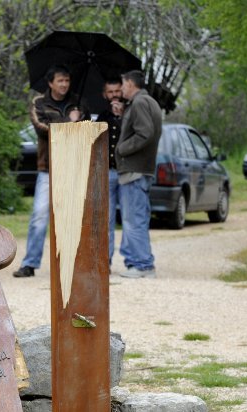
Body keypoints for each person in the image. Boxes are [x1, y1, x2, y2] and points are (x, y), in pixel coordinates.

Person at [13, 65, 87, 278]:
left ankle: (71, 263)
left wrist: (77, 120)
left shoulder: (78, 102)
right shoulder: (38, 103)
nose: (64, 84)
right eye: (60, 80)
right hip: (48, 169)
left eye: (67, 80)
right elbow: (42, 129)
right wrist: (69, 121)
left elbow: (85, 128)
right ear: (50, 83)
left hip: (72, 166)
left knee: (71, 217)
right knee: (39, 215)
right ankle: (30, 263)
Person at [114, 70, 162, 278]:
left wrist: (122, 148)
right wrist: (123, 114)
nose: (121, 88)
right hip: (141, 170)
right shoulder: (146, 102)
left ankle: (143, 265)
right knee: (136, 218)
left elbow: (145, 132)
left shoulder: (141, 103)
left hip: (135, 170)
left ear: (131, 84)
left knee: (134, 220)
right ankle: (135, 262)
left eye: (123, 84)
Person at [96, 77, 125, 266]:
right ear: (104, 94)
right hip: (107, 173)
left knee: (130, 219)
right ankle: (106, 260)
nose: (114, 95)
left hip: (127, 172)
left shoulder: (130, 112)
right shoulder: (102, 116)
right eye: (110, 92)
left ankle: (133, 261)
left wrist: (122, 117)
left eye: (117, 91)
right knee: (106, 220)